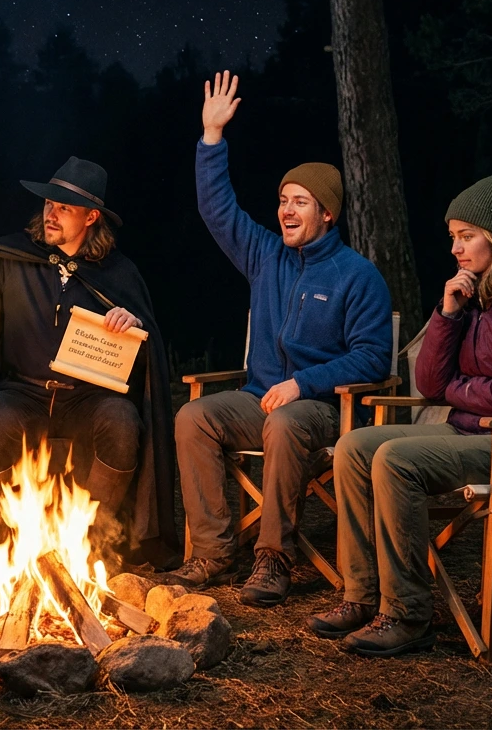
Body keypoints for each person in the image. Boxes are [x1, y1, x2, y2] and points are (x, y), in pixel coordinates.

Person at [308, 172, 492, 657]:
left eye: (466, 236)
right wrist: (449, 312)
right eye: (453, 237)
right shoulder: (476, 292)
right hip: (476, 434)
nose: (455, 248)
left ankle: (407, 614)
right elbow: (432, 384)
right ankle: (361, 595)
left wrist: (463, 394)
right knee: (353, 447)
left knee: (395, 460)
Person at [164, 71, 393, 608]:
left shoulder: (357, 276)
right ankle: (213, 551)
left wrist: (302, 383)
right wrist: (212, 138)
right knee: (193, 416)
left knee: (286, 421)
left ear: (327, 213)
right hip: (261, 399)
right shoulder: (266, 255)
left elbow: (373, 358)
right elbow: (218, 210)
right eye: (284, 200)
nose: (287, 210)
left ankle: (274, 558)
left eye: (301, 202)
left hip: (324, 409)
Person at [0, 157, 180, 570]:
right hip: (23, 391)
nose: (51, 214)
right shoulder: (14, 256)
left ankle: (91, 543)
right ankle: (14, 535)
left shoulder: (118, 272)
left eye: (64, 208)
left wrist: (133, 326)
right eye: (48, 204)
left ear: (91, 217)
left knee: (122, 424)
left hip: (88, 398)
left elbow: (146, 350)